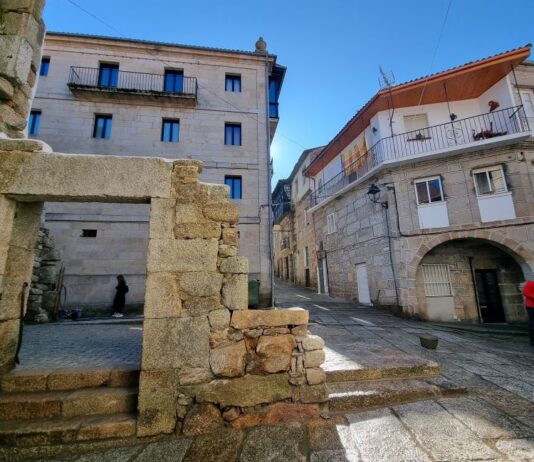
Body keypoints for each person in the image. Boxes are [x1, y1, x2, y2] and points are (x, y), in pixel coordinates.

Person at [521, 280, 534, 345]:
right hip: (531, 306)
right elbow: (525, 292)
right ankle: (532, 340)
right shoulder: (531, 283)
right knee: (533, 323)